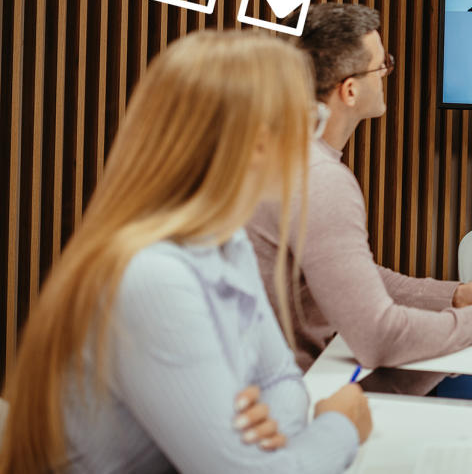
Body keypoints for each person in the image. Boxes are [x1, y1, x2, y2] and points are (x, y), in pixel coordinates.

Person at [0, 31, 370, 472]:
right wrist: (339, 425)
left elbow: (281, 378)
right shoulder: (151, 276)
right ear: (254, 142)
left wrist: (263, 425)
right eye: (307, 123)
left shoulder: (227, 242)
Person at [247, 4, 472, 372]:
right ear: (349, 90)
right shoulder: (320, 178)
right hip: (300, 392)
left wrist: (457, 295)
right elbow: (380, 338)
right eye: (381, 66)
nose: (386, 75)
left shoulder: (284, 156)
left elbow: (349, 274)